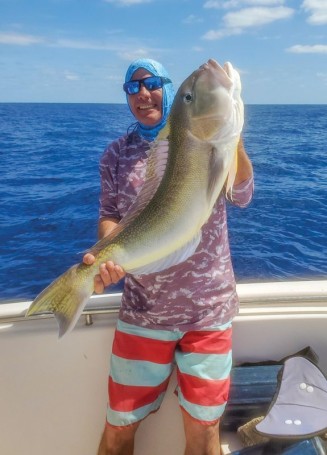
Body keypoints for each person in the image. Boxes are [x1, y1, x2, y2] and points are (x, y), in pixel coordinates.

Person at [83, 58, 254, 455]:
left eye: (153, 83)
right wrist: (105, 257)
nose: (143, 94)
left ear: (171, 91)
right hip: (143, 311)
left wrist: (233, 136)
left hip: (207, 311)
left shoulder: (210, 141)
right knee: (118, 430)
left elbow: (242, 195)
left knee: (204, 434)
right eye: (133, 88)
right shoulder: (116, 154)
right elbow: (110, 215)